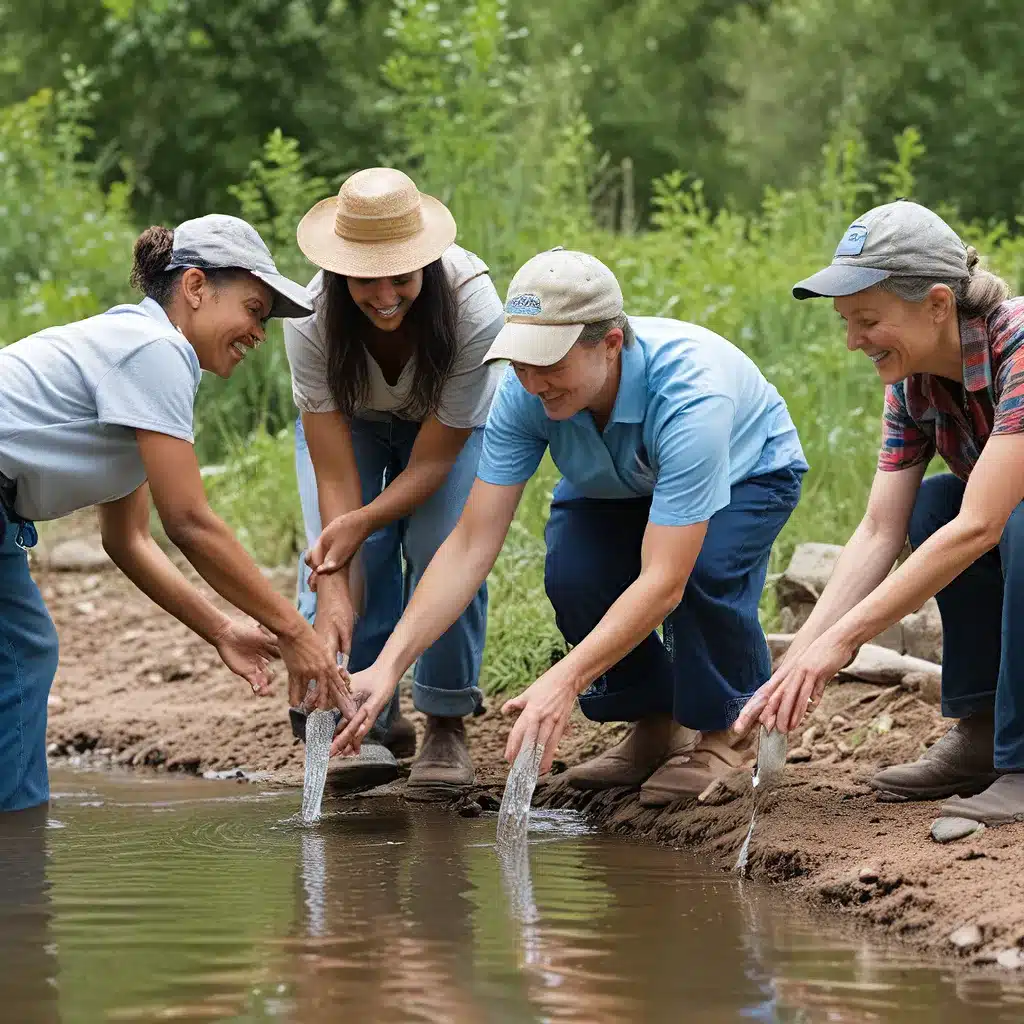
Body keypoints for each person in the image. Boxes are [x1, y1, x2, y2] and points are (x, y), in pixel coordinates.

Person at [322, 247, 808, 803]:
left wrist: (564, 680)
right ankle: (655, 721)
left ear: (610, 343)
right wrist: (388, 667)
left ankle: (727, 732)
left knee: (706, 573)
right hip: (616, 478)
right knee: (576, 573)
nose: (533, 382)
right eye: (522, 363)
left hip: (748, 472)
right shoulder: (523, 395)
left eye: (549, 364)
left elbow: (664, 580)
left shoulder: (692, 396)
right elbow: (470, 542)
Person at [0, 215, 353, 813]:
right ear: (194, 287)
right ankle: (16, 853)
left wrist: (220, 628)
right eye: (253, 309)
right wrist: (297, 633)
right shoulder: (156, 350)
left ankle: (17, 850)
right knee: (24, 654)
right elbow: (189, 521)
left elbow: (129, 539)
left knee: (25, 653)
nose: (258, 333)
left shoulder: (135, 357)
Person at [733, 199, 1024, 826]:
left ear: (939, 304)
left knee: (1001, 516)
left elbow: (983, 527)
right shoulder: (913, 382)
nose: (851, 342)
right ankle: (982, 736)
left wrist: (841, 643)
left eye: (866, 319)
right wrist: (796, 665)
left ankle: (1022, 761)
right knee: (934, 504)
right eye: (846, 321)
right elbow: (878, 529)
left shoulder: (1020, 344)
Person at [285, 167, 504, 800]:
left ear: (427, 267)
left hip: (444, 434)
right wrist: (336, 565)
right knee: (352, 558)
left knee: (440, 547)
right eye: (364, 280)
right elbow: (332, 473)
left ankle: (444, 719)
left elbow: (433, 465)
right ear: (338, 273)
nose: (383, 296)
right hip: (350, 426)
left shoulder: (472, 307)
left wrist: (360, 521)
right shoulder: (309, 318)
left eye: (400, 278)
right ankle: (359, 715)